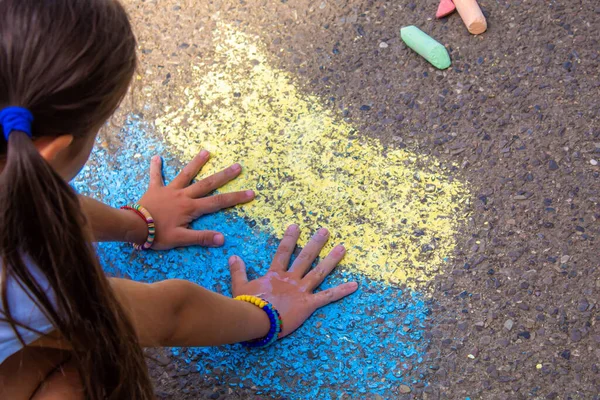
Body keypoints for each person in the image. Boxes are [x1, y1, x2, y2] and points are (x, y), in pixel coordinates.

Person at [0, 0, 358, 399]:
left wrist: (143, 223)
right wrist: (265, 314)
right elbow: (170, 315)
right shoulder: (19, 283)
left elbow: (34, 201)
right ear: (50, 149)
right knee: (94, 363)